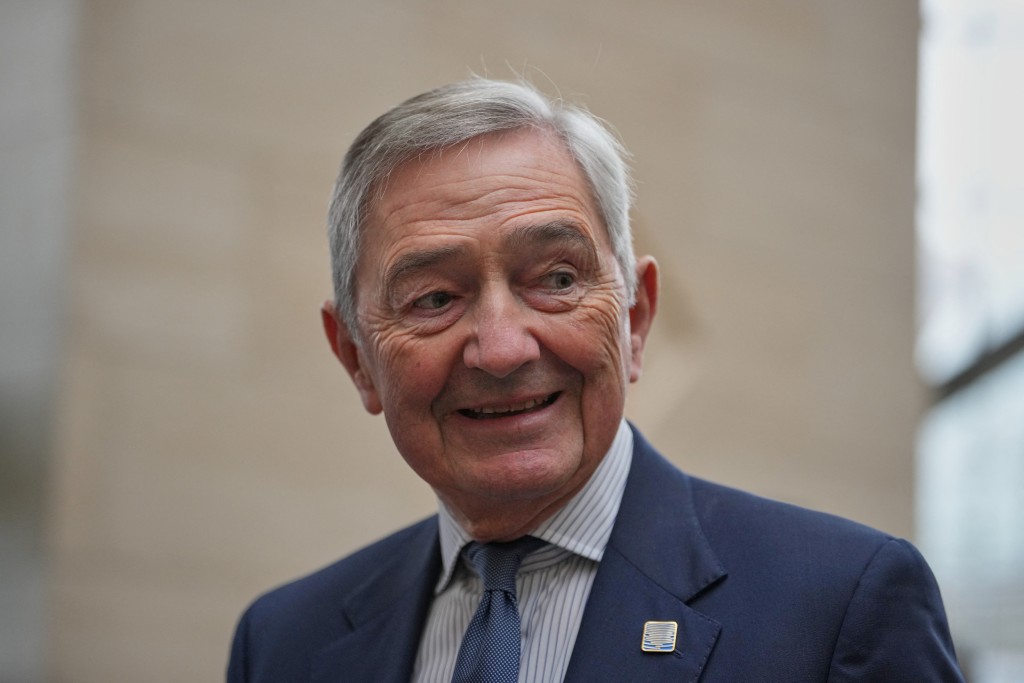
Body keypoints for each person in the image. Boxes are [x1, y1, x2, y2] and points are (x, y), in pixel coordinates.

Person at [228, 78, 964, 682]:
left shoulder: (841, 606)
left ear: (635, 317)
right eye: (434, 298)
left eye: (554, 277)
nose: (503, 348)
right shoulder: (283, 643)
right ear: (356, 356)